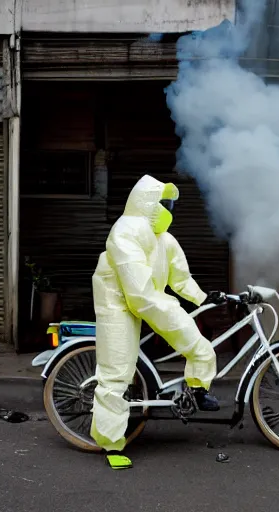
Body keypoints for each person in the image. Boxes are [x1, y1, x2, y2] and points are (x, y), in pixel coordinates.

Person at [90, 174, 219, 469]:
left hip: (147, 297)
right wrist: (174, 312)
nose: (169, 210)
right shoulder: (125, 231)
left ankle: (197, 389)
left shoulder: (165, 240)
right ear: (147, 203)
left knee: (199, 345)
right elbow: (139, 292)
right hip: (117, 302)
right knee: (117, 370)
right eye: (164, 204)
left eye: (171, 205)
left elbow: (181, 278)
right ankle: (111, 445)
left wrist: (205, 299)